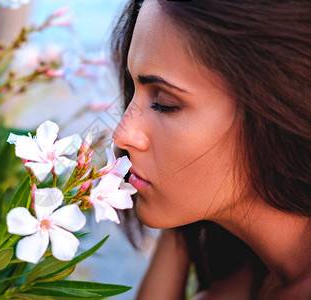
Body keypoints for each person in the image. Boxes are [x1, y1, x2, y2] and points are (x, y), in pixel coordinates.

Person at [110, 0, 311, 299]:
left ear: (276, 109)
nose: (122, 135)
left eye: (165, 103)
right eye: (134, 91)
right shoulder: (255, 273)